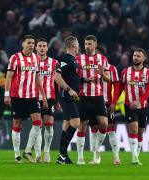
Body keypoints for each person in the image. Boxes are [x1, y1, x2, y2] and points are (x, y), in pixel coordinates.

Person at [4, 35, 48, 163]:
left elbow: (37, 78)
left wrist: (43, 96)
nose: (31, 45)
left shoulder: (35, 58)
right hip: (17, 96)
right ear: (23, 44)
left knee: (38, 123)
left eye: (33, 43)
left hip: (32, 96)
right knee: (17, 124)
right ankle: (17, 155)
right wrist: (7, 94)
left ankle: (28, 151)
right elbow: (8, 77)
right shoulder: (15, 58)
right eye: (29, 43)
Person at [115, 48, 149, 165]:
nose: (135, 58)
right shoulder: (125, 72)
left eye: (138, 56)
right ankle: (134, 158)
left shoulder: (148, 73)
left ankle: (137, 153)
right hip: (129, 105)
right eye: (134, 56)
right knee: (133, 128)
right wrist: (113, 102)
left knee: (141, 132)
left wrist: (139, 101)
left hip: (142, 106)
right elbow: (120, 88)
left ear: (144, 59)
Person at [76, 35, 110, 165]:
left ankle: (96, 153)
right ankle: (80, 158)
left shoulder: (103, 59)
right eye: (85, 44)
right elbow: (73, 78)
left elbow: (108, 78)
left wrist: (102, 74)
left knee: (104, 125)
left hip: (98, 96)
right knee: (82, 126)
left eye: (90, 44)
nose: (87, 46)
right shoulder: (78, 59)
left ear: (95, 45)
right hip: (83, 96)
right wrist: (84, 80)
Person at [54, 36, 80, 164]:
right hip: (67, 96)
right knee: (76, 123)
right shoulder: (65, 59)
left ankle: (62, 156)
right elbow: (57, 77)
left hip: (73, 97)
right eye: (78, 45)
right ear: (74, 46)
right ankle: (62, 154)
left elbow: (72, 77)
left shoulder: (74, 61)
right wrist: (69, 90)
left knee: (67, 124)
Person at [89, 63, 121, 165]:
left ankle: (116, 157)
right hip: (92, 102)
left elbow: (117, 86)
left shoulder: (111, 68)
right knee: (94, 129)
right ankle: (95, 157)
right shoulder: (88, 66)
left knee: (111, 129)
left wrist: (114, 102)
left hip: (107, 103)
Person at [33, 38, 58, 163]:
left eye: (44, 46)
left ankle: (46, 151)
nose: (42, 48)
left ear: (47, 48)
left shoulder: (54, 63)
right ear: (36, 48)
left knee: (49, 125)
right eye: (40, 46)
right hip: (35, 97)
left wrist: (58, 101)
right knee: (38, 126)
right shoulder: (31, 62)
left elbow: (58, 82)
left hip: (50, 97)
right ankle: (37, 154)